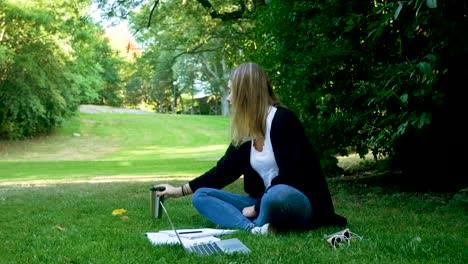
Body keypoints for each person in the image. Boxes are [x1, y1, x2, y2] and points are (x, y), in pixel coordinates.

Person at [154, 62, 347, 235]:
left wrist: (256, 208)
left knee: (277, 193)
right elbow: (222, 172)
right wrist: (178, 191)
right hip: (262, 203)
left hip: (295, 202)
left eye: (232, 91)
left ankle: (254, 221)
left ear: (246, 93)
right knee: (202, 195)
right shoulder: (247, 132)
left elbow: (294, 176)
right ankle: (254, 229)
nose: (229, 98)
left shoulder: (283, 120)